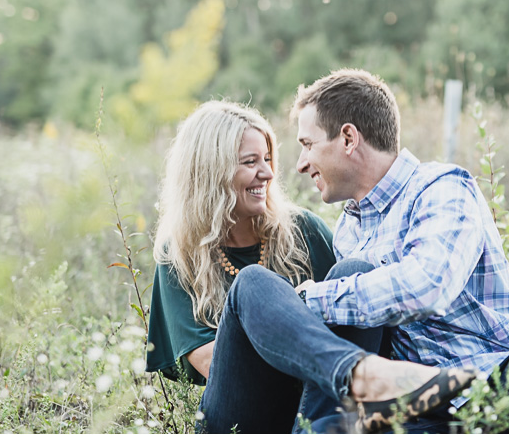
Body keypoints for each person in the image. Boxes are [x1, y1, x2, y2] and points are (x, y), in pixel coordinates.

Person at [290, 69, 509, 433]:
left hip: (494, 384)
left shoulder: (442, 188)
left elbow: (429, 285)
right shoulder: (347, 231)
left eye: (307, 144)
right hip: (425, 412)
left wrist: (309, 301)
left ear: (349, 138)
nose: (301, 163)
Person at [145, 100, 476, 434]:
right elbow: (213, 364)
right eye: (250, 162)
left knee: (356, 270)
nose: (269, 173)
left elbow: (355, 324)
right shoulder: (179, 253)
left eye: (268, 159)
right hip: (241, 417)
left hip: (316, 408)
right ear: (210, 172)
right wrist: (282, 324)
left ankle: (320, 424)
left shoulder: (303, 230)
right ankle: (360, 376)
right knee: (253, 283)